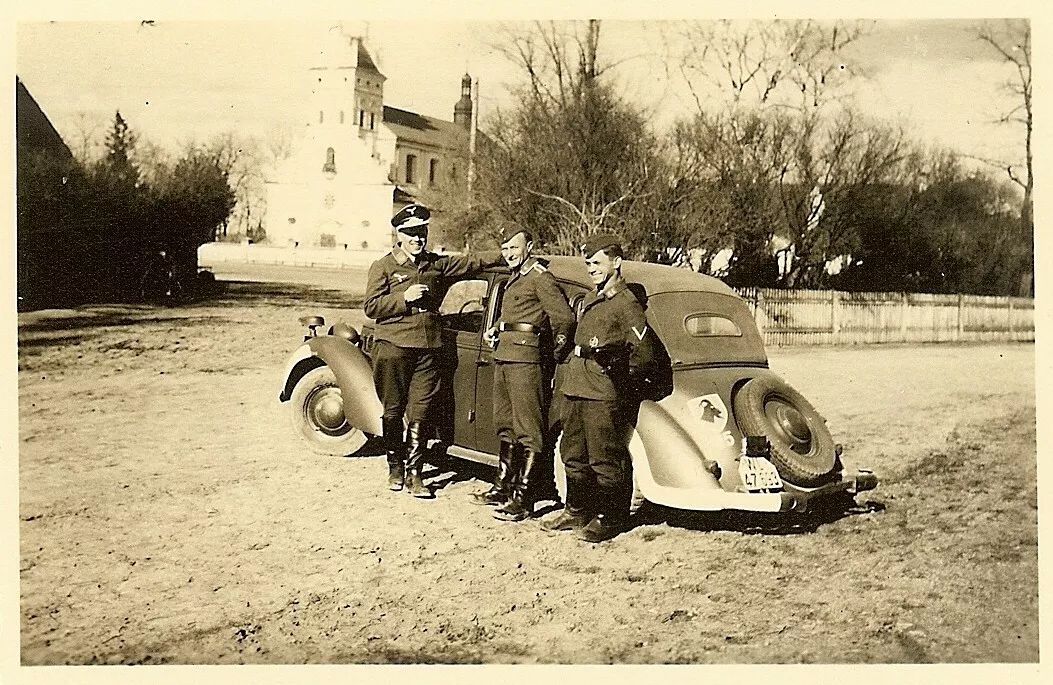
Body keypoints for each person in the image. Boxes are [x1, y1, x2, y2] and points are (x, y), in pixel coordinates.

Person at [364, 204, 502, 498]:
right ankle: (395, 466)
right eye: (412, 233)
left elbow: (471, 263)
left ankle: (415, 474)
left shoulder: (435, 265)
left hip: (428, 349)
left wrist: (510, 254)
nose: (418, 238)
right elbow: (372, 307)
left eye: (422, 232)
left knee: (421, 410)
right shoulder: (384, 266)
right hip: (393, 347)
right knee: (393, 409)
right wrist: (403, 298)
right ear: (398, 235)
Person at [541, 233, 659, 543]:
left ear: (617, 262)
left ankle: (611, 517)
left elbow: (643, 354)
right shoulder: (594, 298)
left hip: (602, 390)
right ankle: (577, 510)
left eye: (596, 262)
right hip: (577, 386)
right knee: (573, 452)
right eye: (588, 263)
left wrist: (621, 383)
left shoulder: (627, 304)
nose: (590, 268)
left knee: (604, 456)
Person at [471, 226, 575, 522]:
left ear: (529, 246)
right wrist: (497, 327)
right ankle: (503, 487)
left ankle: (524, 499)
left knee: (529, 430)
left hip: (528, 361)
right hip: (504, 355)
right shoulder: (516, 277)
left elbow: (564, 319)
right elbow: (517, 313)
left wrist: (551, 354)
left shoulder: (542, 279)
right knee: (505, 424)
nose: (509, 254)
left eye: (514, 248)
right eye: (504, 249)